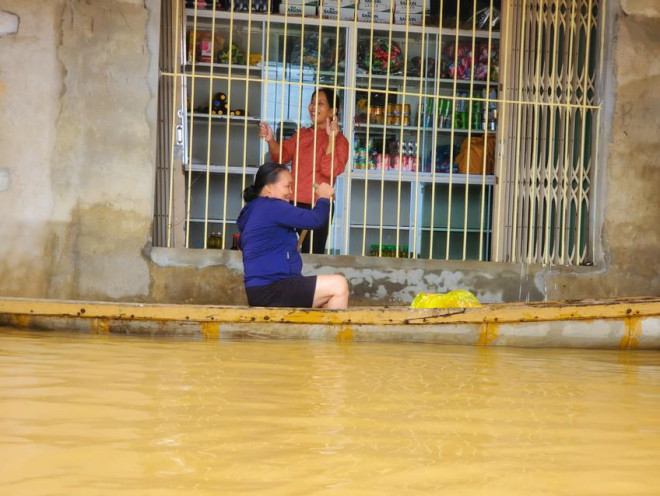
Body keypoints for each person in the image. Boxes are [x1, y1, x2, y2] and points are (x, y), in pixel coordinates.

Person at [237, 162, 349, 309]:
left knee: (327, 301)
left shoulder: (254, 210)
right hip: (272, 287)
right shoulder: (271, 206)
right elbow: (315, 220)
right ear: (269, 189)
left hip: (261, 289)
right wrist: (322, 197)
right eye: (287, 186)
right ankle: (336, 332)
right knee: (338, 285)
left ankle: (323, 332)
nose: (291, 192)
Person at [259, 88, 349, 254]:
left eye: (320, 103)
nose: (314, 107)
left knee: (312, 255)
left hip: (318, 205)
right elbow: (280, 157)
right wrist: (271, 139)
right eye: (313, 102)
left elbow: (330, 170)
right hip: (291, 203)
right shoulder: (302, 134)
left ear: (333, 110)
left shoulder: (341, 141)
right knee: (282, 250)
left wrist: (331, 138)